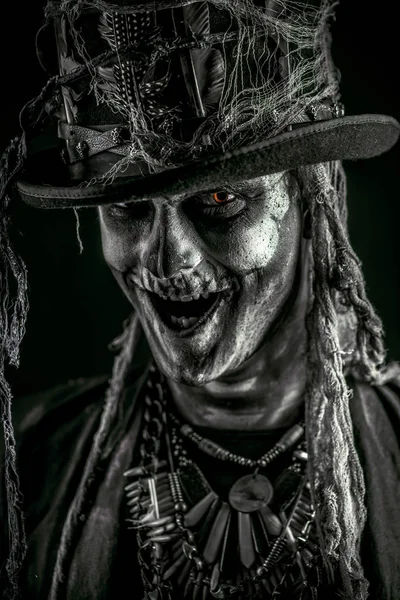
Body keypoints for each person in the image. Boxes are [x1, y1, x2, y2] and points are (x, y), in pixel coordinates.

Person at [1, 0, 400, 599]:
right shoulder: (29, 464)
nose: (166, 260)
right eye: (129, 209)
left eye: (219, 202)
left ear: (310, 201)